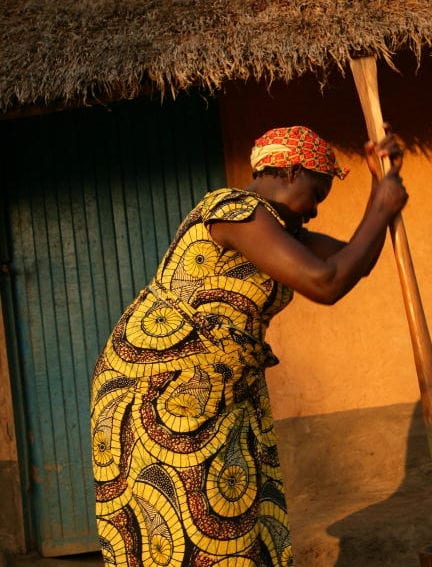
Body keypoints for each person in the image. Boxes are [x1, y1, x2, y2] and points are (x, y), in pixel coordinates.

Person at [89, 125, 407, 567]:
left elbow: (354, 260)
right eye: (317, 195)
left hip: (217, 391)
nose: (314, 213)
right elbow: (326, 282)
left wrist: (382, 186)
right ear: (293, 171)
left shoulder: (281, 230)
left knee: (232, 517)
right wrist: (382, 208)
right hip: (163, 390)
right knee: (193, 527)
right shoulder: (232, 210)